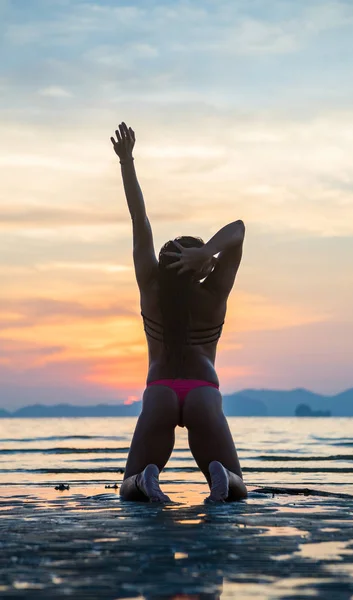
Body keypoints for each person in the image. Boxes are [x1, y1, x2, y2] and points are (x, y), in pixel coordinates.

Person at [111, 122, 247, 503]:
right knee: (236, 487)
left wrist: (127, 161)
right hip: (204, 388)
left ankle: (146, 478)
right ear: (199, 267)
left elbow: (140, 219)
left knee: (128, 486)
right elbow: (238, 229)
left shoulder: (151, 288)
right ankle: (220, 476)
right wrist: (209, 254)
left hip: (160, 389)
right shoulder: (213, 294)